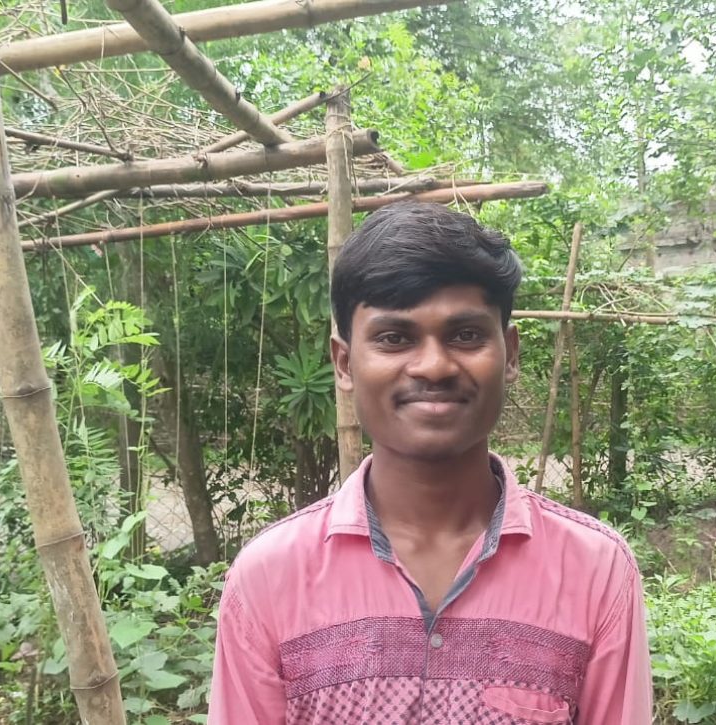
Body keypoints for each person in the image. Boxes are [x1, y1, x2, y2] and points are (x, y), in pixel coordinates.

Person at [207, 202, 653, 724]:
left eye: (465, 335)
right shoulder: (270, 576)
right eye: (395, 338)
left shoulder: (594, 570)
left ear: (509, 354)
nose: (434, 366)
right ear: (345, 363)